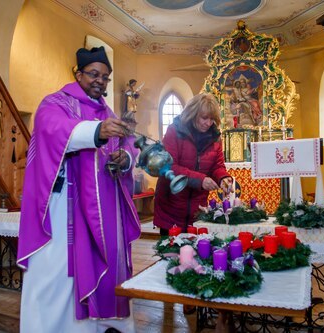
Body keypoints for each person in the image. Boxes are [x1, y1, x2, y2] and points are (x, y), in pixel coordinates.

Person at [17, 46, 141, 333]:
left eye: (105, 77)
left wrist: (125, 159)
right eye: (94, 74)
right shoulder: (55, 103)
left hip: (102, 208)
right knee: (59, 275)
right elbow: (52, 129)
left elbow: (127, 146)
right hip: (65, 209)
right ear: (78, 74)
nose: (100, 81)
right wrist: (96, 132)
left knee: (107, 263)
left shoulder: (108, 111)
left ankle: (101, 324)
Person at [153, 93, 233, 234]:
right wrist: (200, 180)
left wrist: (223, 178)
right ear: (193, 113)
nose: (208, 123)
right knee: (171, 254)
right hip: (171, 206)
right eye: (204, 118)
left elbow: (217, 166)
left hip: (197, 209)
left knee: (195, 254)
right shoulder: (174, 131)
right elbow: (169, 167)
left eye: (212, 119)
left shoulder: (214, 137)